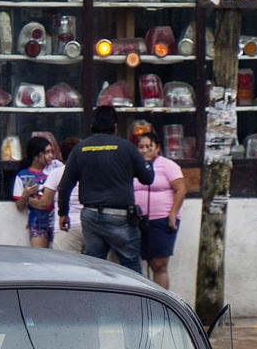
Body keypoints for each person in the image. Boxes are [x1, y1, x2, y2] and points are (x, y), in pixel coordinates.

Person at [56, 105, 153, 271]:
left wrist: (63, 213)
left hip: (90, 215)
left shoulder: (80, 149)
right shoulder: (126, 147)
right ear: (115, 126)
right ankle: (134, 297)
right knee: (130, 266)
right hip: (121, 216)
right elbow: (147, 178)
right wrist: (148, 162)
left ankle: (99, 296)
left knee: (96, 267)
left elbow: (64, 186)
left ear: (92, 125)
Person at [133, 132, 187, 289]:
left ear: (157, 148)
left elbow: (181, 189)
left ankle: (163, 302)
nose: (144, 150)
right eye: (141, 147)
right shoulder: (136, 166)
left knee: (159, 264)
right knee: (149, 261)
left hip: (162, 219)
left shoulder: (167, 165)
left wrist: (172, 214)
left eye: (149, 146)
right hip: (141, 220)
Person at [40, 136, 82, 254]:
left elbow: (44, 203)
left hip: (66, 228)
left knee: (66, 268)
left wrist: (28, 198)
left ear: (61, 156)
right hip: (90, 227)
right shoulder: (89, 172)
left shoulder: (57, 173)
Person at [13, 135, 56, 248]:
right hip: (37, 223)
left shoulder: (55, 170)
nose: (51, 156)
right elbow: (19, 207)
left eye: (52, 151)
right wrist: (24, 196)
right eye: (47, 152)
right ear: (36, 155)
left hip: (57, 221)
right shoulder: (22, 176)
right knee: (40, 258)